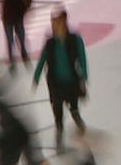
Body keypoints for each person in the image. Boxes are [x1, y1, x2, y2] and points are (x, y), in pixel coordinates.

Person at [31, 8, 89, 149]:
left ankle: (77, 119)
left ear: (63, 22)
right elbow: (43, 59)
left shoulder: (75, 39)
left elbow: (82, 59)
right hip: (55, 83)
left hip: (71, 81)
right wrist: (36, 76)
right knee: (57, 110)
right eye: (52, 23)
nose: (53, 26)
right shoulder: (50, 42)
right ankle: (59, 134)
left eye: (56, 22)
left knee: (73, 106)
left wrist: (83, 78)